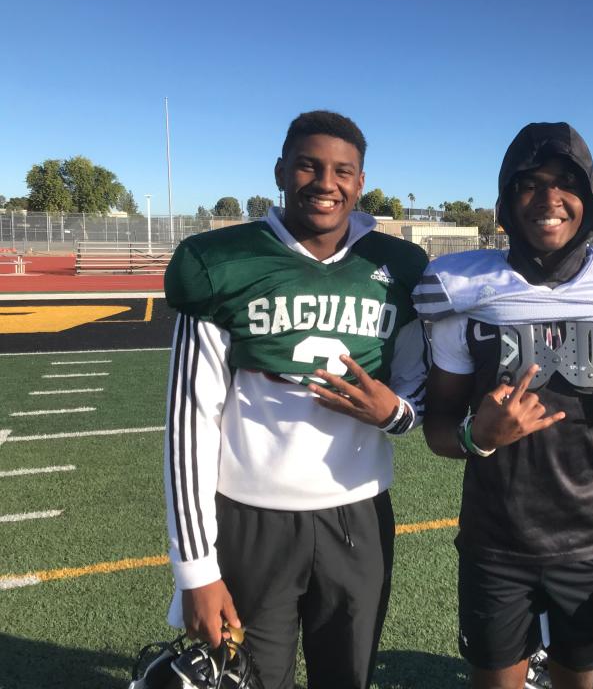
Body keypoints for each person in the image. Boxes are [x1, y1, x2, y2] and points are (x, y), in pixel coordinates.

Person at [162, 110, 429, 689]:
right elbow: (189, 422)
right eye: (308, 165)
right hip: (251, 520)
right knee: (250, 678)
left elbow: (416, 396)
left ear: (360, 183)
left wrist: (395, 414)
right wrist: (195, 570)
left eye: (343, 171)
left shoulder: (399, 267)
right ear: (282, 170)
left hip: (359, 516)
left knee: (348, 677)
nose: (325, 182)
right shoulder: (221, 262)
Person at [414, 122, 593, 689]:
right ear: (506, 200)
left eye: (566, 182)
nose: (548, 199)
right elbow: (437, 429)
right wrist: (479, 436)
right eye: (529, 183)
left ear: (591, 198)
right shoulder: (462, 292)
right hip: (494, 542)